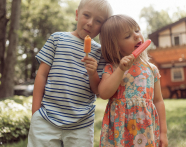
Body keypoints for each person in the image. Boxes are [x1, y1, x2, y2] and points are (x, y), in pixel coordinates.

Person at [27, 0, 113, 147]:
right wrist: (35, 112)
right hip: (47, 117)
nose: (90, 23)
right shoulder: (57, 39)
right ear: (77, 15)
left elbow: (97, 90)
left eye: (98, 21)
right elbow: (41, 75)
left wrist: (92, 73)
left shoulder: (100, 53)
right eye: (86, 15)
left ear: (102, 28)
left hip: (81, 124)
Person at [98, 15, 168, 147]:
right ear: (116, 46)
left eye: (137, 30)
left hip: (145, 128)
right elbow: (103, 93)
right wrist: (120, 70)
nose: (136, 36)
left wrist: (163, 132)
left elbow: (158, 100)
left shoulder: (151, 69)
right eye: (127, 36)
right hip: (119, 129)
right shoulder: (112, 68)